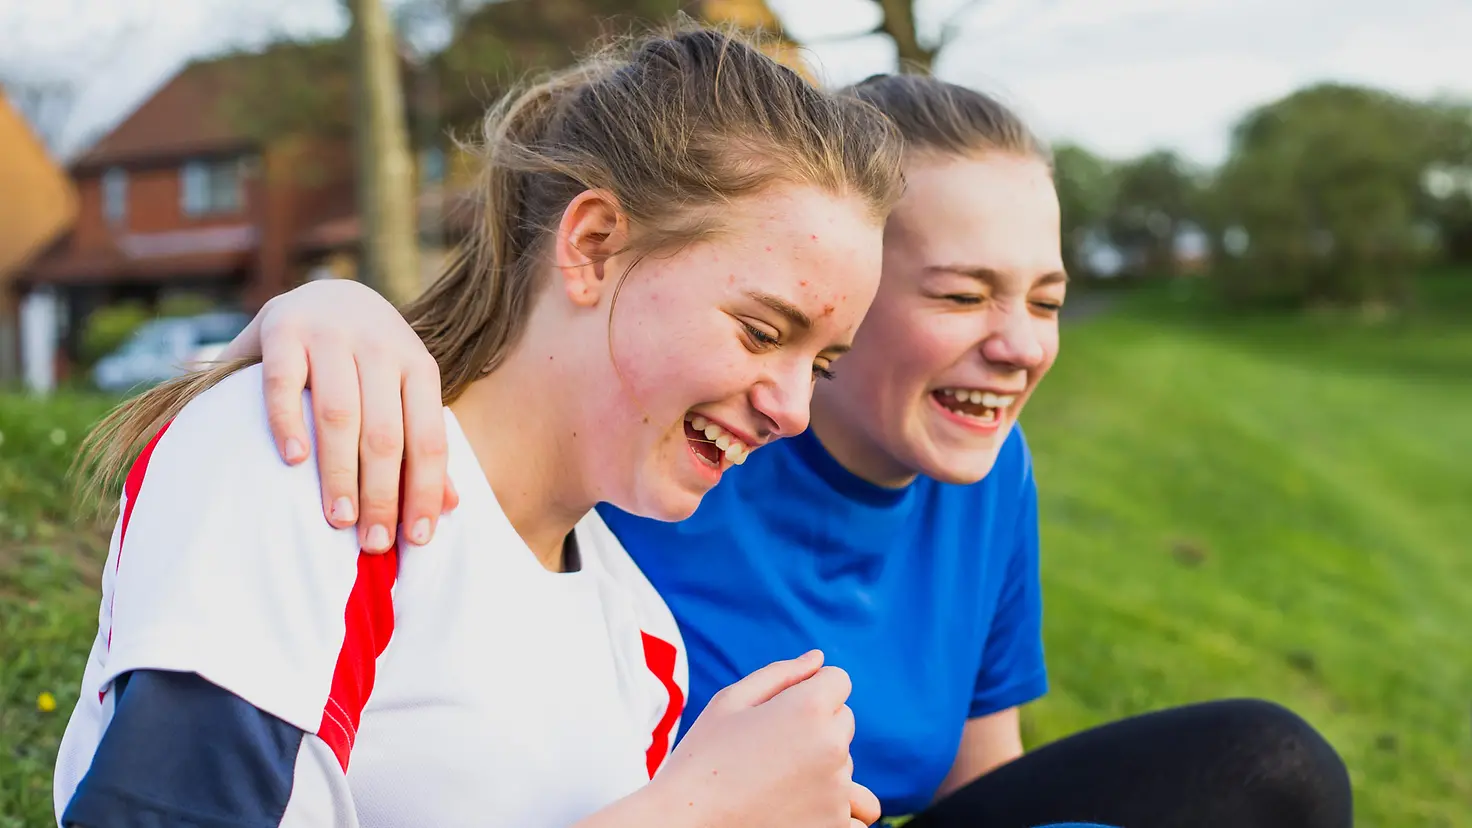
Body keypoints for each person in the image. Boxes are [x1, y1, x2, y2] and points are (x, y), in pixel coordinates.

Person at [229, 77, 1354, 828]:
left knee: (1270, 765)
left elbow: (986, 786)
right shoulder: (670, 445)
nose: (1016, 346)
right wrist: (329, 309)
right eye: (962, 294)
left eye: (1045, 300)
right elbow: (542, 345)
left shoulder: (985, 480)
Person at [52, 27, 913, 828]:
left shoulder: (643, 645)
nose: (794, 409)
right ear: (595, 244)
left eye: (823, 365)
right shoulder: (314, 450)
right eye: (763, 332)